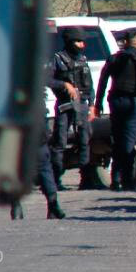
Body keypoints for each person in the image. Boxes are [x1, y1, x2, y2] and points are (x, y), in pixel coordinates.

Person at [95, 30, 136, 191]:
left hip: (116, 102)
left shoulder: (114, 59)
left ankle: (117, 179)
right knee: (128, 143)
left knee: (119, 141)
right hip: (134, 104)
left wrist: (98, 104)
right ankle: (124, 179)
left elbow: (102, 82)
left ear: (125, 42)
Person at [48, 27, 98, 190]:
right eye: (78, 41)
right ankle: (55, 180)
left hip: (82, 104)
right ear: (70, 42)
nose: (81, 44)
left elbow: (89, 85)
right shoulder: (58, 59)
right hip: (65, 104)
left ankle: (86, 179)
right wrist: (64, 85)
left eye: (82, 41)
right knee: (60, 143)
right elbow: (47, 80)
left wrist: (92, 105)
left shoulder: (83, 59)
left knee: (85, 141)